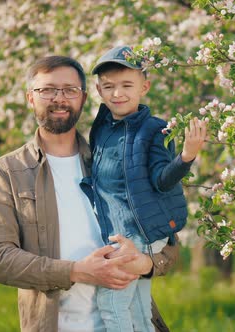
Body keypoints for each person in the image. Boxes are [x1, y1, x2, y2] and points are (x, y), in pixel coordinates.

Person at [0, 55, 180, 332]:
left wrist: (144, 263)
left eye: (70, 90)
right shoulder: (7, 172)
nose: (59, 99)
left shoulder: (114, 162)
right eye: (47, 90)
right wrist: (77, 271)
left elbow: (168, 246)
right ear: (30, 98)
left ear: (84, 98)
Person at [89, 46, 207, 332]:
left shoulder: (155, 129)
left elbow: (162, 180)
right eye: (109, 87)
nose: (117, 93)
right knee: (139, 308)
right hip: (117, 228)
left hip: (135, 231)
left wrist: (186, 157)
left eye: (127, 85)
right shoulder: (102, 127)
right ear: (98, 90)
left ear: (145, 87)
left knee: (113, 304)